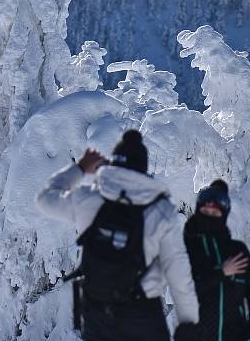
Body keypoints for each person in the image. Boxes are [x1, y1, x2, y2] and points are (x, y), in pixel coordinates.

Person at [35, 130, 199, 341]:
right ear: (142, 169)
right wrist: (189, 324)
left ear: (114, 163)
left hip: (97, 312)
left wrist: (80, 169)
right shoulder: (161, 211)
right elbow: (179, 275)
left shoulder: (89, 200)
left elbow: (45, 199)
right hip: (142, 312)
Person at [184, 180, 250, 341]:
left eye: (215, 214)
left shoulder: (237, 251)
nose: (209, 217)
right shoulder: (188, 250)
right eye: (206, 212)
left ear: (224, 215)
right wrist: (221, 272)